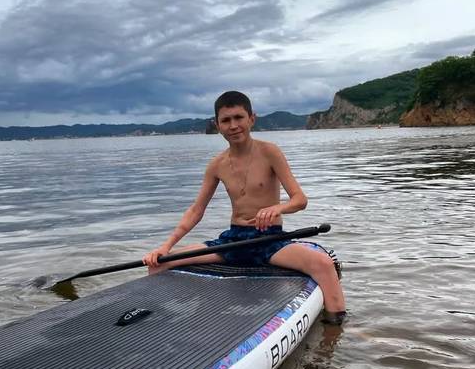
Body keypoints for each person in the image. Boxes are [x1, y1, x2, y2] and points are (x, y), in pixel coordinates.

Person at [143, 91, 346, 324]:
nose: (234, 125)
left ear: (252, 118)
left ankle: (335, 328)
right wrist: (165, 247)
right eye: (226, 120)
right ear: (217, 125)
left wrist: (277, 208)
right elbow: (196, 210)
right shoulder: (216, 165)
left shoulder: (270, 152)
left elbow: (300, 199)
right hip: (234, 240)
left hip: (268, 240)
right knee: (160, 264)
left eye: (239, 117)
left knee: (323, 264)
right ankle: (162, 320)